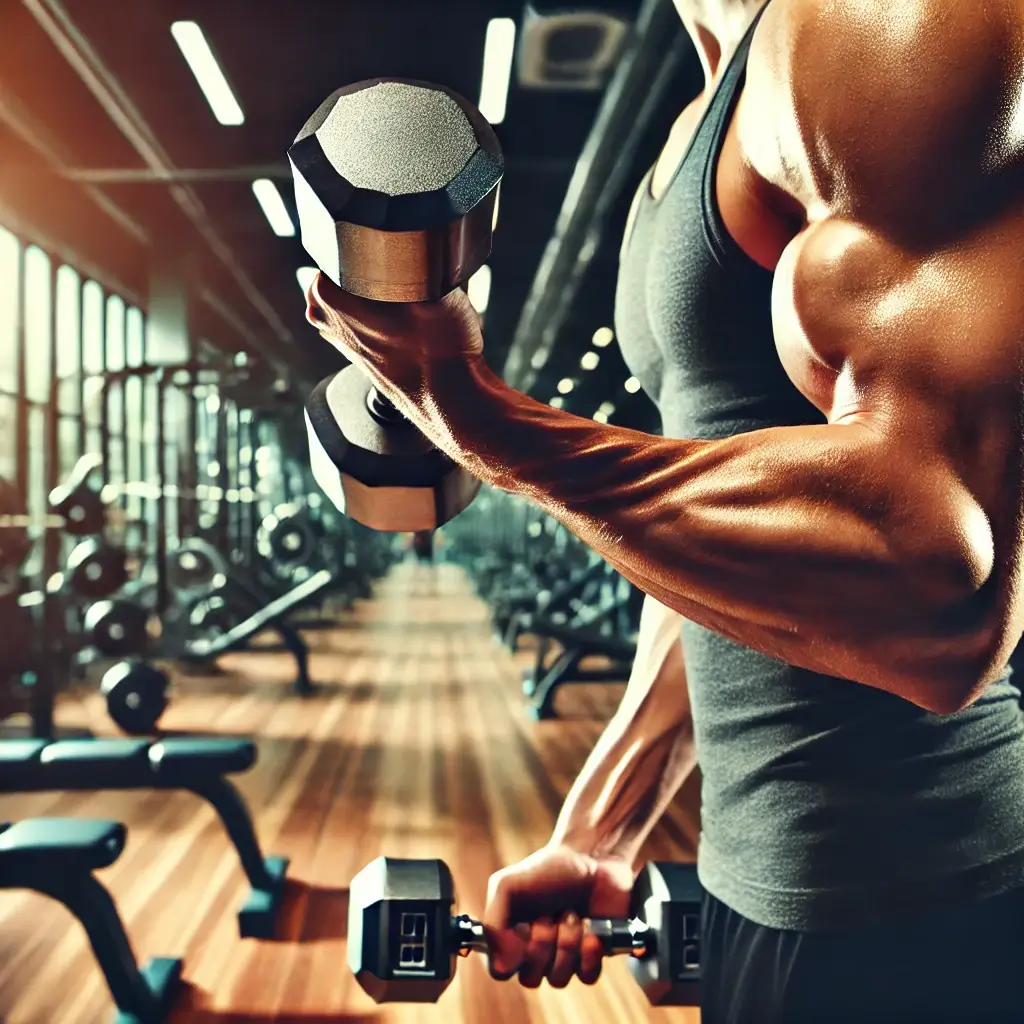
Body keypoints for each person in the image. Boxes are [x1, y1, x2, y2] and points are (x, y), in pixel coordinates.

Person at [304, 0, 1024, 1019]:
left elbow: (944, 602)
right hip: (749, 878)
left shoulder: (890, 29)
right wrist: (605, 818)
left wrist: (492, 432)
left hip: (926, 900)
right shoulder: (693, 124)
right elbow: (714, 538)